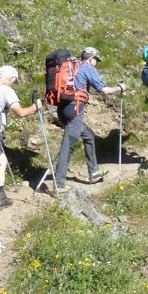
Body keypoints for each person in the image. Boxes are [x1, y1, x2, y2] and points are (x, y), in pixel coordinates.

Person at [0, 66, 41, 222]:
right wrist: (36, 107)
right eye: (14, 81)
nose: (13, 84)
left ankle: (0, 196)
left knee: (1, 160)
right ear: (10, 78)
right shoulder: (5, 90)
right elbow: (20, 113)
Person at [54, 48, 125, 191]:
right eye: (96, 59)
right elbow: (105, 90)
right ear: (91, 58)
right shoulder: (87, 68)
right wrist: (120, 88)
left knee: (89, 135)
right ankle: (59, 184)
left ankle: (94, 170)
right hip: (75, 109)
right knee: (68, 146)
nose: (96, 62)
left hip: (63, 109)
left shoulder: (74, 67)